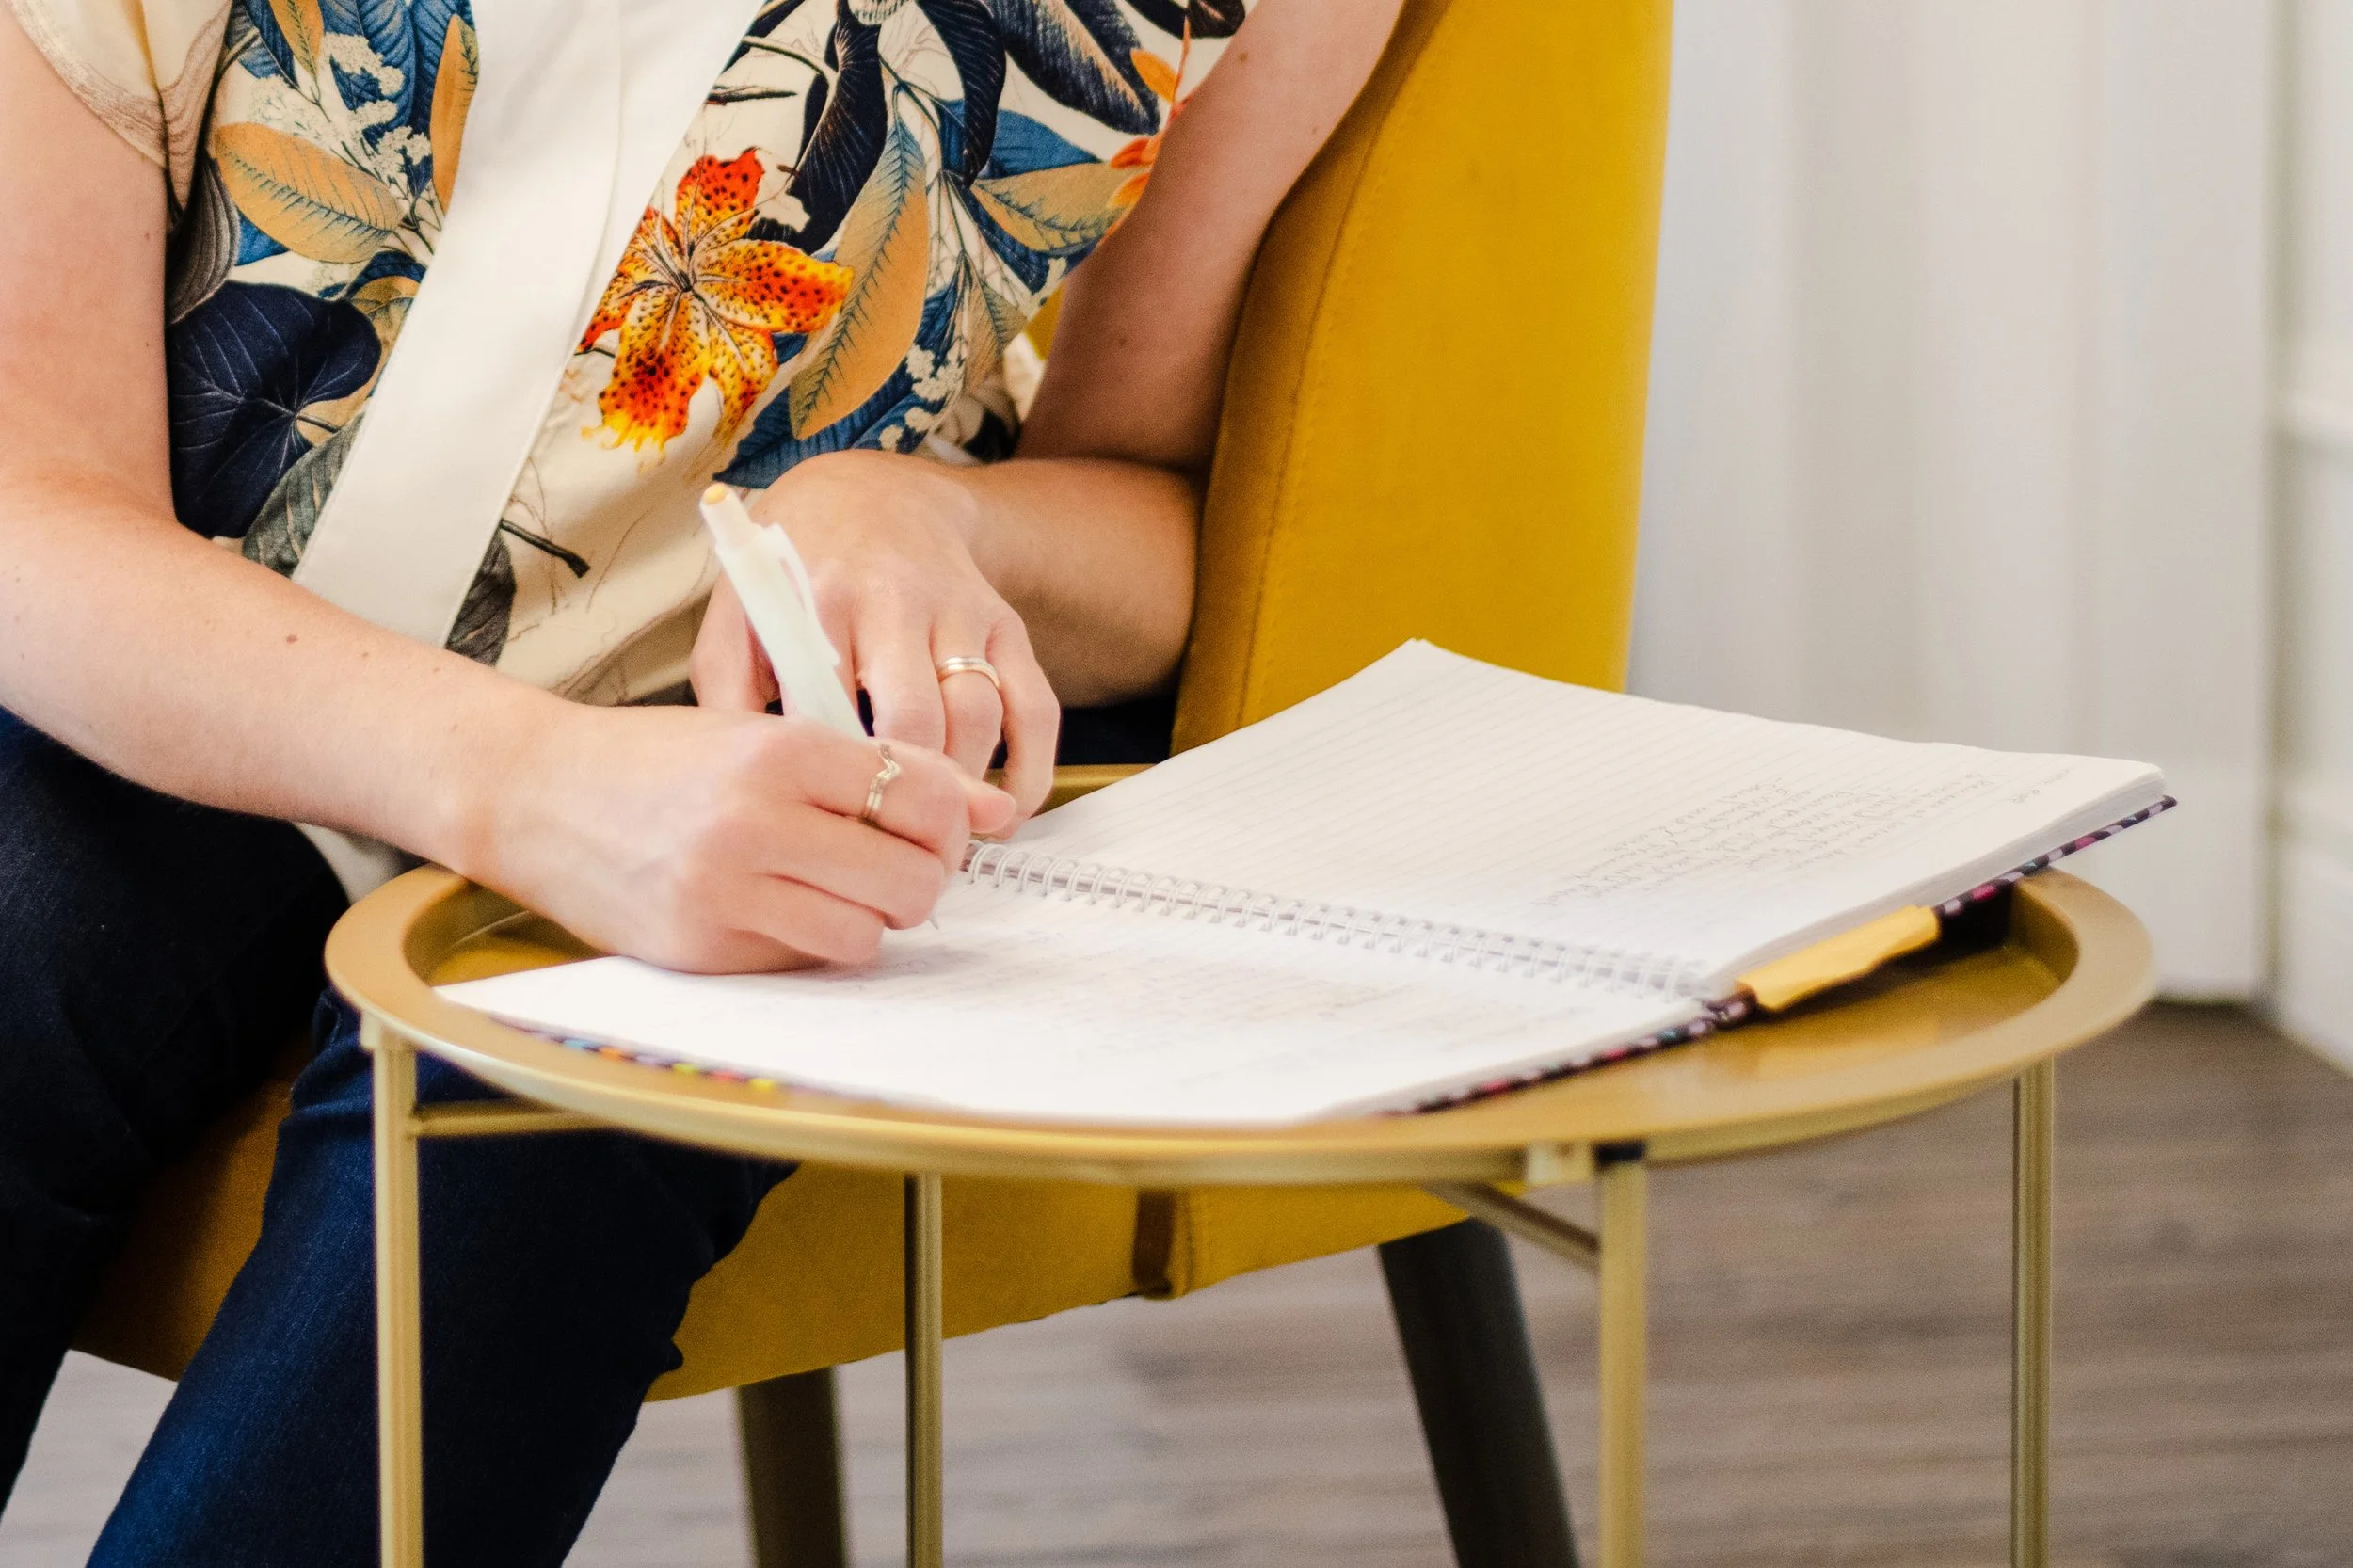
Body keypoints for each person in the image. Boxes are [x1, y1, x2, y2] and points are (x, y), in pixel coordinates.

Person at [0, 0, 1402, 1558]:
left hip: (723, 744)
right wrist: (530, 784)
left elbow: (1155, 509)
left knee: (534, 1133)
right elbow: (28, 510)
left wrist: (922, 516)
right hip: (158, 662)